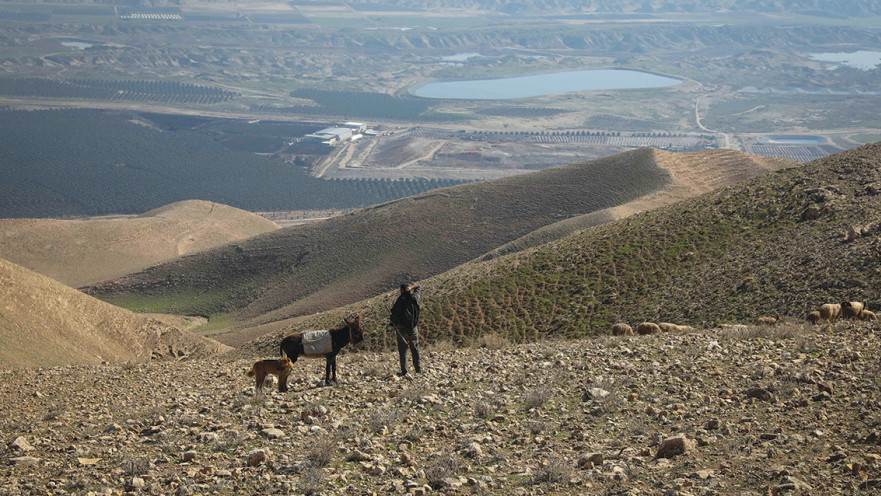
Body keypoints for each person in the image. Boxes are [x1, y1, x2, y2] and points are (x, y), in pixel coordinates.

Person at [390, 283, 421, 376]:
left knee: (403, 350)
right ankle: (418, 370)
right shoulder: (414, 298)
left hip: (401, 329)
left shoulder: (399, 301)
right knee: (415, 348)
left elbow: (394, 315)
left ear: (401, 290)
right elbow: (419, 287)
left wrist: (392, 322)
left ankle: (404, 371)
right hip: (413, 328)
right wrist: (411, 287)